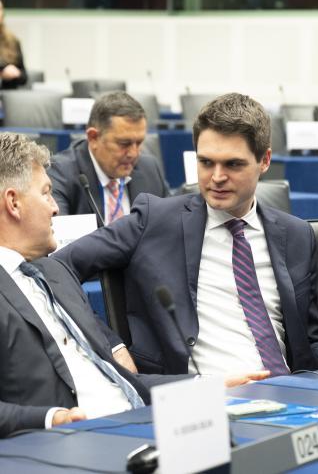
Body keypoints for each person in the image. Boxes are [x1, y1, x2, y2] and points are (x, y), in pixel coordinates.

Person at [56, 92, 318, 376]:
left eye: (233, 164)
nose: (216, 177)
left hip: (290, 391)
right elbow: (57, 267)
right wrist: (111, 345)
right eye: (206, 162)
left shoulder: (297, 236)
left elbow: (308, 345)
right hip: (205, 394)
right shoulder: (155, 220)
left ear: (265, 160)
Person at [0, 132, 266, 439]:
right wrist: (50, 419)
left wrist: (204, 385)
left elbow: (123, 382)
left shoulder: (55, 273)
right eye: (46, 194)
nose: (55, 208)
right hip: (72, 440)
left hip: (139, 423)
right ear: (14, 203)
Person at [48, 91, 170, 225]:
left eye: (139, 143)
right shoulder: (60, 173)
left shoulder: (150, 169)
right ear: (93, 137)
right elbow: (59, 233)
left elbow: (169, 225)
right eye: (124, 143)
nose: (134, 153)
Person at [0, 0, 27, 89]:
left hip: (7, 92)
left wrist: (16, 73)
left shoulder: (13, 41)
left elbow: (24, 77)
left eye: (0, 9)